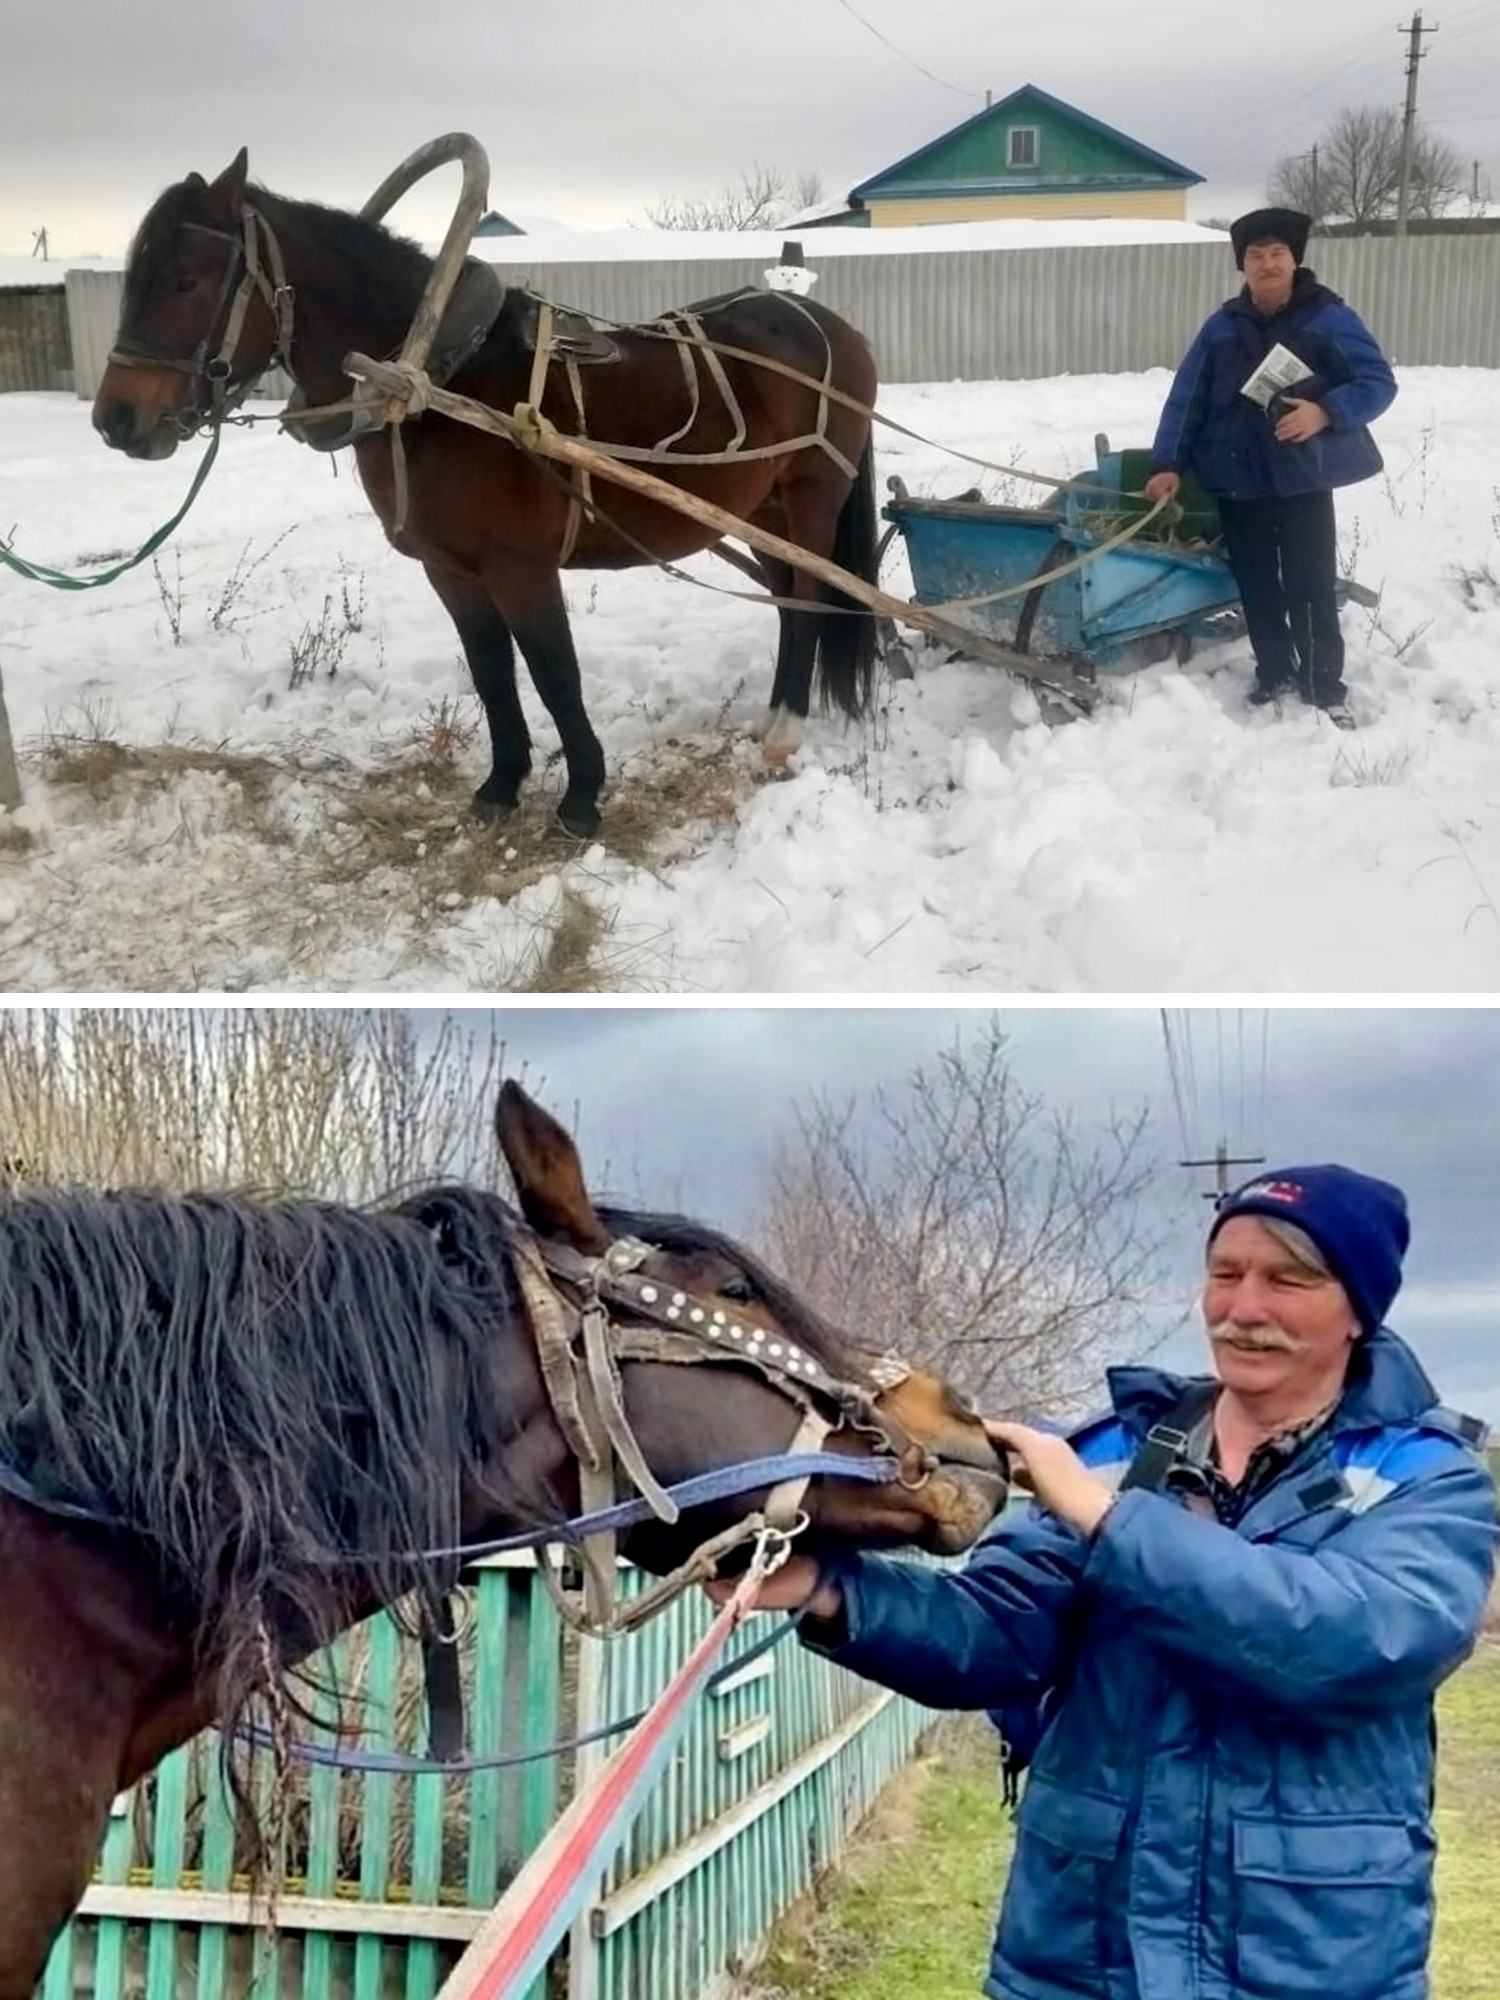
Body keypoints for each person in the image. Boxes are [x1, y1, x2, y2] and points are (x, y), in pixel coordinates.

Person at [717, 1164, 1498, 2000]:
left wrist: (1107, 1518)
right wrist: (829, 1590)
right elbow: (999, 1634)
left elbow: (1345, 1645)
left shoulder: (1425, 1478)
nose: (1243, 1309)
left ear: (1359, 1309)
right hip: (1082, 1954)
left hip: (1309, 1960)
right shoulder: (1124, 1451)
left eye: (1290, 1279)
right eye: (1225, 1274)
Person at [1143, 208, 1397, 728]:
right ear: (1243, 267)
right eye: (1255, 256)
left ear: (1294, 259)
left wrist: (1325, 411)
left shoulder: (1328, 319)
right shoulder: (1221, 328)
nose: (1266, 263)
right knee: (1258, 584)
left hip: (1302, 477)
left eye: (1276, 253)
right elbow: (1186, 399)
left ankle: (1323, 684)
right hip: (1237, 479)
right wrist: (1168, 462)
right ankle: (1275, 672)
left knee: (1310, 583)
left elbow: (1377, 382)